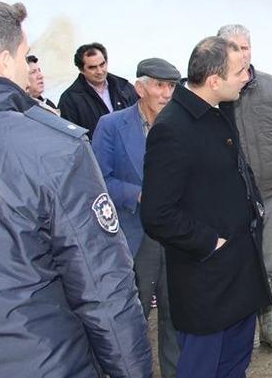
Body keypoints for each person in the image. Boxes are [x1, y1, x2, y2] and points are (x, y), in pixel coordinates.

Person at [0, 0, 151, 376]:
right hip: (40, 358)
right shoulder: (49, 148)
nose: (28, 67)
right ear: (3, 62)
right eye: (24, 55)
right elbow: (101, 285)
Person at [141, 36, 271, 378]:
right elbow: (157, 215)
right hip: (207, 282)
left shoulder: (218, 109)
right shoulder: (173, 129)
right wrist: (211, 243)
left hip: (239, 272)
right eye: (240, 71)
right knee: (202, 369)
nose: (248, 76)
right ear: (214, 81)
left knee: (234, 366)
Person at [92, 58, 183, 378]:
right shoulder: (112, 125)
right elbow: (99, 181)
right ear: (139, 87)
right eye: (159, 85)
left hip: (175, 237)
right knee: (134, 314)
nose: (167, 93)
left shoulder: (181, 125)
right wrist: (140, 195)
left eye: (172, 86)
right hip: (135, 235)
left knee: (175, 314)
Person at [217, 24, 272, 353]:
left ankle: (269, 324)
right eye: (233, 47)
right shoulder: (216, 93)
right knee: (236, 262)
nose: (241, 53)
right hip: (232, 197)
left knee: (271, 262)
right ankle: (237, 332)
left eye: (245, 46)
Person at [58, 42, 137, 138]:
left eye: (102, 64)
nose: (99, 71)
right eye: (92, 67)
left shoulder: (124, 87)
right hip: (95, 152)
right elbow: (70, 139)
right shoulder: (70, 99)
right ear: (81, 70)